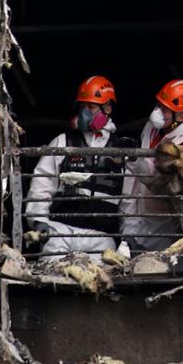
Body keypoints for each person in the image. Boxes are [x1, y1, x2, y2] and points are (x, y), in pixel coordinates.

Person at [24, 75, 131, 259]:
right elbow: (42, 183)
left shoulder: (122, 151)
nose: (84, 113)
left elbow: (129, 201)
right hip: (60, 231)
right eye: (82, 107)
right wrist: (38, 221)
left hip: (101, 237)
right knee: (53, 276)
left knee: (98, 281)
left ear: (107, 108)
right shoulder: (63, 141)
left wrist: (128, 238)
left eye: (91, 107)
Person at [120, 78, 183, 252]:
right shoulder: (151, 128)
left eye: (165, 109)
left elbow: (160, 180)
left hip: (163, 223)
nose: (158, 112)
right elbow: (133, 178)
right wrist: (126, 215)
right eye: (158, 105)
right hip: (136, 215)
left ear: (182, 115)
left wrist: (133, 159)